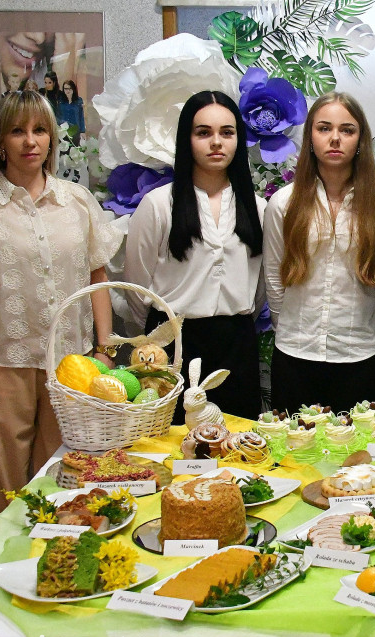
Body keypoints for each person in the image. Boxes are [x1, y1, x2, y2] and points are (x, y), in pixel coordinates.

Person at [0, 90, 120, 532]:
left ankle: (62, 572)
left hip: (71, 367)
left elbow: (100, 279)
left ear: (52, 139)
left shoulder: (76, 203)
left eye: (39, 130)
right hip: (3, 366)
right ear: (1, 142)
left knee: (67, 483)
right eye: (17, 131)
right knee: (2, 489)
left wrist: (105, 351)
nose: (29, 141)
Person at [125, 91, 265, 421]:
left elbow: (260, 289)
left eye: (226, 133)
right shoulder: (158, 205)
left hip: (237, 346)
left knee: (238, 448)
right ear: (186, 139)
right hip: (173, 346)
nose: (216, 142)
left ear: (238, 139)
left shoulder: (258, 209)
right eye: (203, 132)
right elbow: (137, 290)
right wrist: (163, 332)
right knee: (170, 450)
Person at [263, 93, 375, 413]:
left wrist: (362, 332)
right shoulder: (282, 204)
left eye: (348, 130)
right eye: (324, 128)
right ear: (310, 137)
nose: (335, 138)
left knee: (355, 458)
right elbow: (274, 278)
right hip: (294, 356)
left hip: (359, 359)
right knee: (293, 456)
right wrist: (295, 328)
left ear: (360, 140)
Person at [60, 80, 85, 144]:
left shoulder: (79, 101)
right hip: (64, 130)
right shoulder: (61, 101)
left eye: (70, 89)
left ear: (73, 89)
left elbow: (81, 116)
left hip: (75, 130)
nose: (68, 91)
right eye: (66, 89)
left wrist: (82, 131)